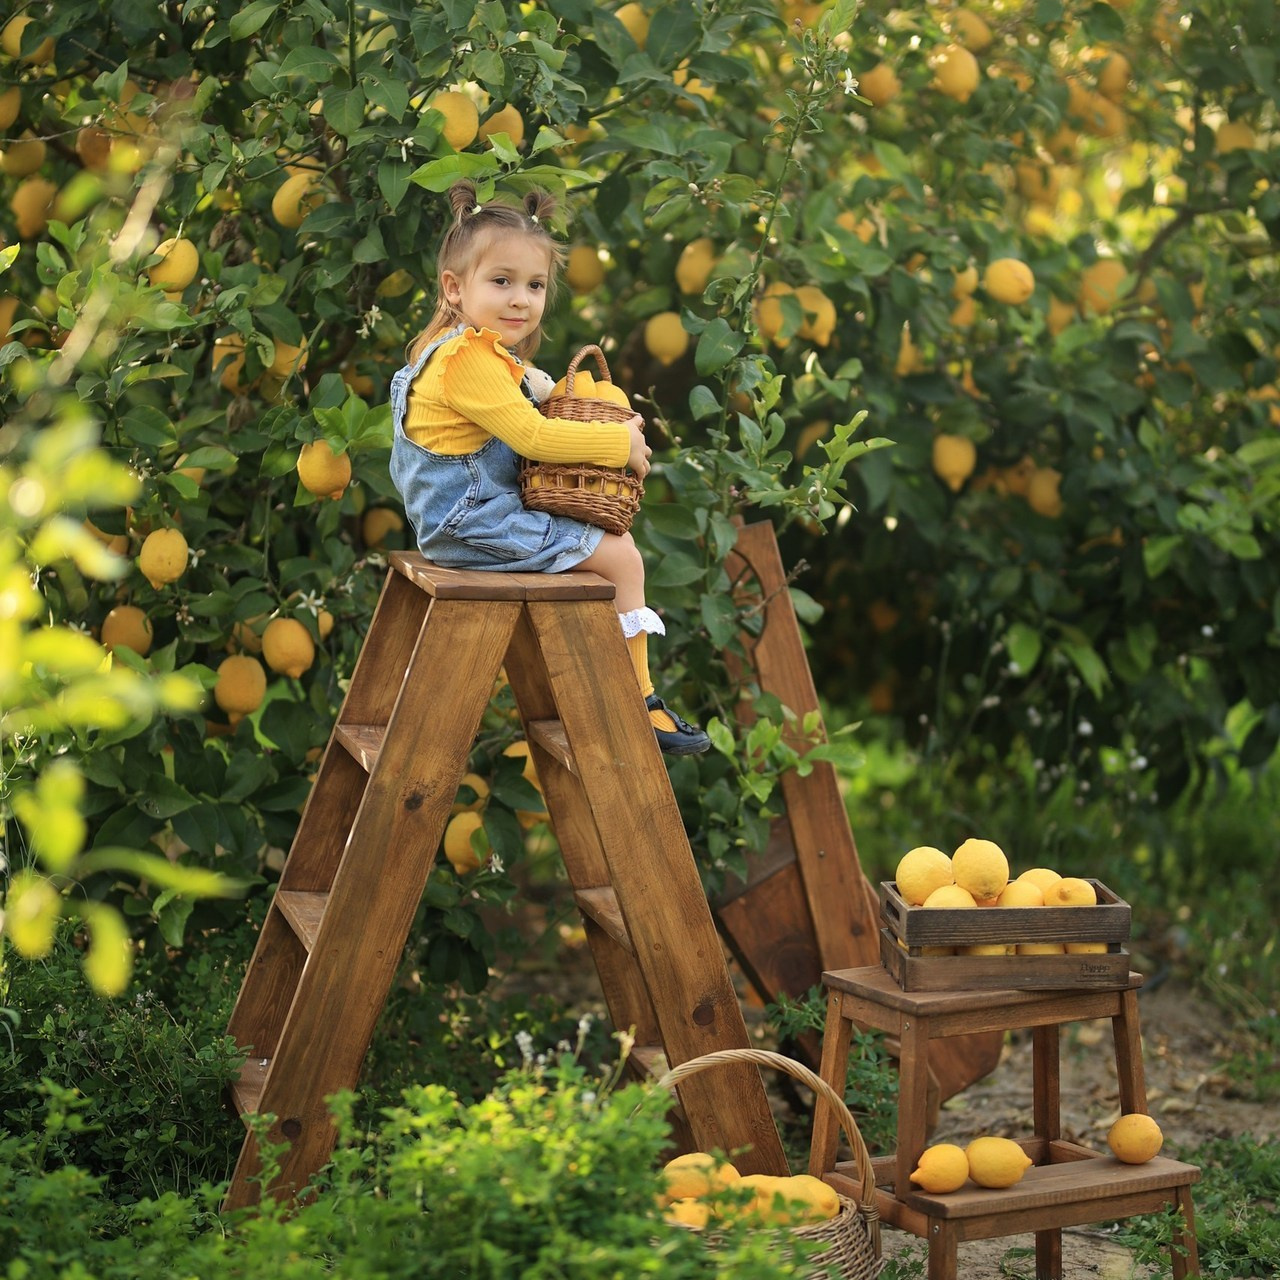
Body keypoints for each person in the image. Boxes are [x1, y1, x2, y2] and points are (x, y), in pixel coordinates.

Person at [389, 179, 709, 756]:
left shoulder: (461, 351)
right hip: (471, 523)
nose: (521, 299)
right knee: (619, 555)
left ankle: (617, 692)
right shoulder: (466, 362)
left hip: (469, 517)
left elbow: (526, 394)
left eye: (534, 285)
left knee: (601, 558)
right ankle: (637, 701)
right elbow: (532, 433)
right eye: (502, 282)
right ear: (454, 289)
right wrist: (619, 445)